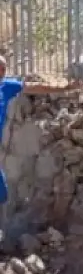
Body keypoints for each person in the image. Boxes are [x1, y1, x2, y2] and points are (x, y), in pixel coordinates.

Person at [0, 57, 23, 207]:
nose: (3, 71)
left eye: (3, 68)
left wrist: (66, 87)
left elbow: (33, 87)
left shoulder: (7, 86)